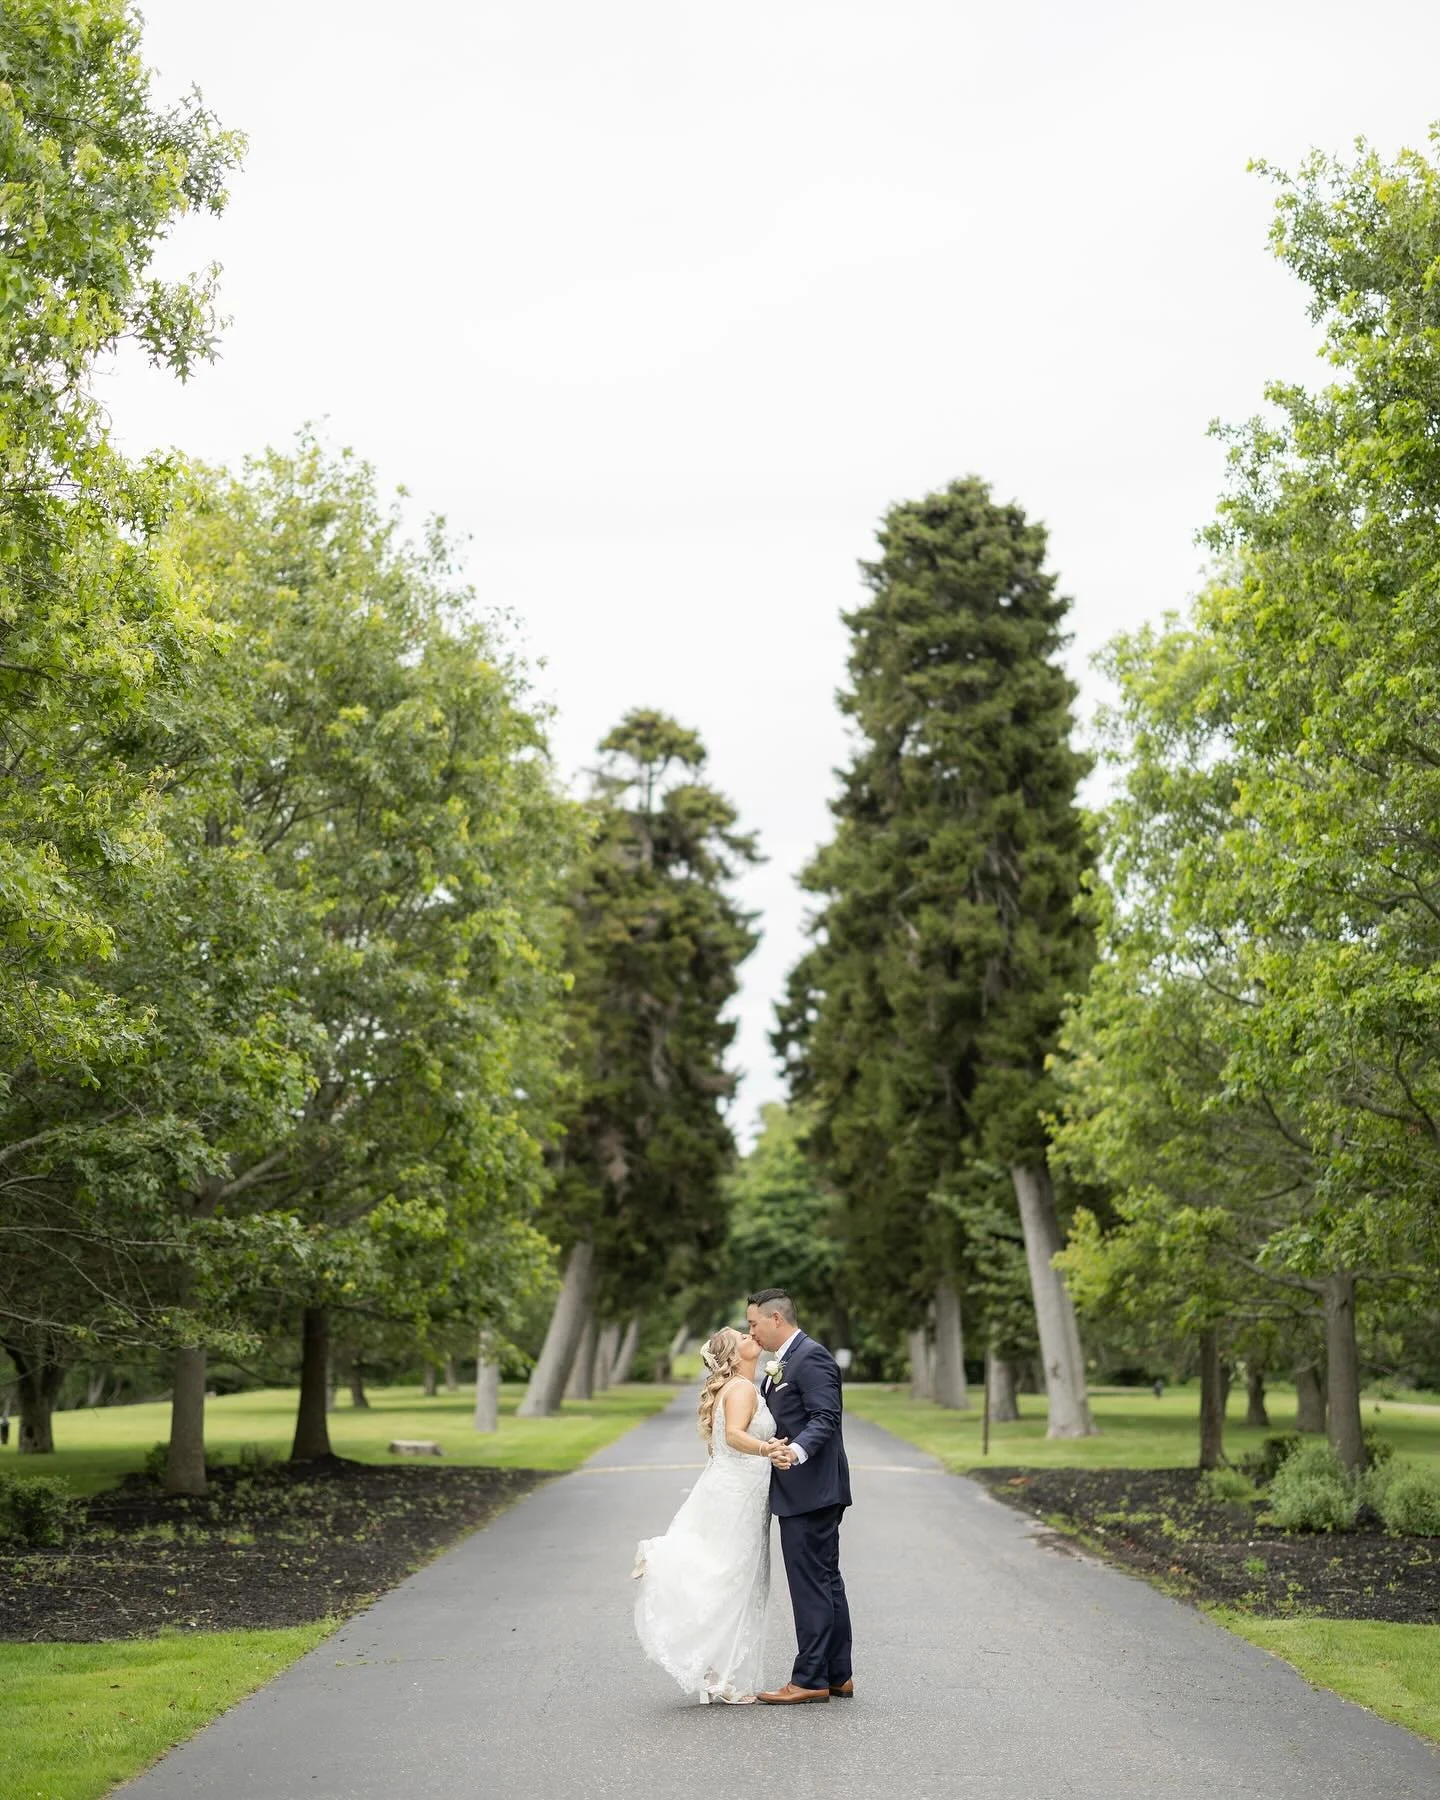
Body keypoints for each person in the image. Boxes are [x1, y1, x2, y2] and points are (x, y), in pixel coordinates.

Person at [633, 1325, 777, 1703]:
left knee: (727, 1573)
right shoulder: (742, 1389)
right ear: (733, 1357)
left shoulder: (740, 1387)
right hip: (738, 1493)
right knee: (732, 1576)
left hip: (730, 1486)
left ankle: (718, 1674)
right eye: (743, 1338)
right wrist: (769, 1450)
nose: (752, 1337)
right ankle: (722, 1677)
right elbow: (734, 1435)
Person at [747, 1287, 854, 1704]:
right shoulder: (789, 1360)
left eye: (754, 1323)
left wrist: (795, 1450)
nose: (750, 1331)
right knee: (826, 1581)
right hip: (810, 1490)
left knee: (811, 1584)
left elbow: (826, 1416)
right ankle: (837, 1674)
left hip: (812, 1488)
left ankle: (809, 1679)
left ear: (777, 1319)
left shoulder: (812, 1358)